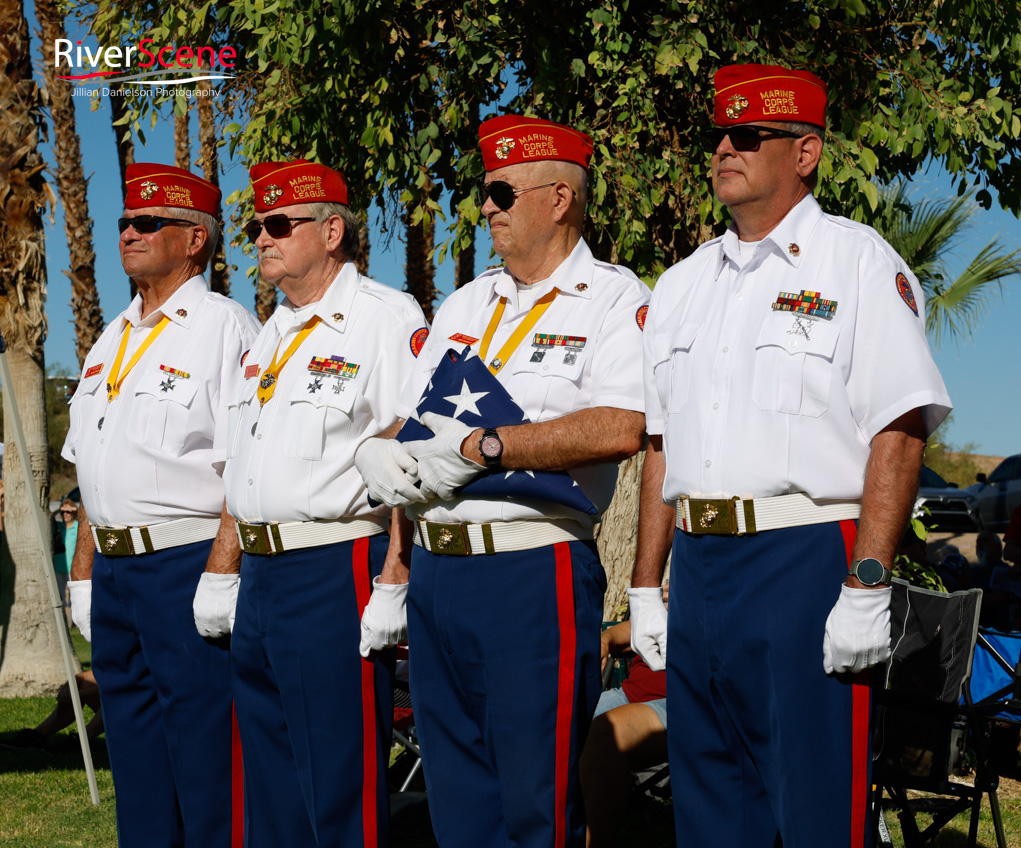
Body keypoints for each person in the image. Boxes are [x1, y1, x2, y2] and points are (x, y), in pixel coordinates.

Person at [629, 64, 952, 848]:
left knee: (812, 808)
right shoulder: (679, 284)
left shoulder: (855, 263)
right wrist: (645, 585)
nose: (724, 150)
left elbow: (898, 429)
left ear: (804, 152)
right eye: (719, 136)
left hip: (803, 557)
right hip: (700, 568)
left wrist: (866, 582)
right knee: (707, 802)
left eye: (747, 136)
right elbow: (661, 446)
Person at [356, 115, 649, 848]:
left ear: (557, 197)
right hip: (439, 570)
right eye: (483, 192)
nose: (484, 207)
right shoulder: (463, 304)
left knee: (535, 802)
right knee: (456, 799)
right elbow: (418, 426)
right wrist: (376, 449)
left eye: (499, 191)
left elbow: (621, 425)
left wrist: (489, 445)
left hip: (532, 567)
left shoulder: (613, 299)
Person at [222, 159, 426, 848]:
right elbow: (243, 460)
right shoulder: (272, 330)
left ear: (331, 231)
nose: (261, 238)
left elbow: (411, 450)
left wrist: (394, 577)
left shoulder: (383, 318)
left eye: (279, 224)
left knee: (338, 778)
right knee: (267, 775)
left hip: (335, 564)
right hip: (260, 572)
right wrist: (223, 572)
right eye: (257, 226)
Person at [62, 163, 260, 848]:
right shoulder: (111, 337)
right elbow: (90, 464)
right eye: (124, 223)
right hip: (116, 572)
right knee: (136, 752)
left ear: (194, 241)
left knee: (207, 752)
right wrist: (83, 570)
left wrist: (222, 568)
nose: (128, 233)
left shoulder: (224, 327)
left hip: (186, 560)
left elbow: (246, 460)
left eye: (149, 223)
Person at [580, 618, 667, 848]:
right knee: (558, 718)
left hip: (684, 704)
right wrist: (606, 639)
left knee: (609, 733)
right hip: (631, 694)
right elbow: (641, 624)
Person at [53, 498, 78, 626]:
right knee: (61, 595)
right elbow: (51, 516)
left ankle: (74, 621)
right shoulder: (59, 526)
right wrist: (60, 508)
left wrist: (74, 509)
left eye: (68, 512)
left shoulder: (77, 527)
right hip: (59, 566)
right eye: (63, 512)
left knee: (74, 596)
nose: (65, 514)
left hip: (72, 567)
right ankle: (63, 622)